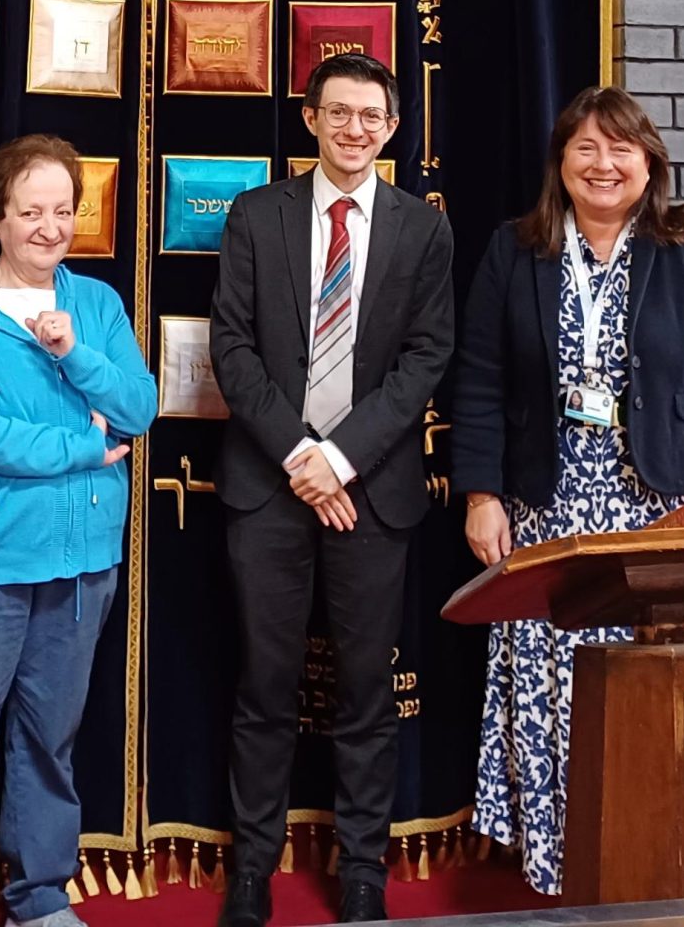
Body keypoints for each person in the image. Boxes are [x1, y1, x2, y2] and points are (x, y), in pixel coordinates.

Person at [449, 85, 684, 891]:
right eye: (586, 149)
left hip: (673, 512)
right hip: (552, 507)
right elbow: (481, 379)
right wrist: (481, 494)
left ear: (649, 162)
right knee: (561, 690)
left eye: (621, 149)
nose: (604, 165)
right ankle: (576, 865)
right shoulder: (516, 250)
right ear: (561, 163)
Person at [209, 52, 456, 927]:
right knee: (263, 686)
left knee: (366, 690)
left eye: (373, 117)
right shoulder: (254, 215)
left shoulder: (422, 230)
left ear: (392, 129)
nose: (356, 129)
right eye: (340, 112)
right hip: (269, 489)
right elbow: (230, 350)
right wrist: (301, 458)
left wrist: (341, 459)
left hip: (371, 491)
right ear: (310, 119)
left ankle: (363, 869)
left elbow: (428, 357)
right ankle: (251, 867)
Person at [0, 135, 159, 927]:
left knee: (50, 739)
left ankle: (41, 896)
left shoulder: (98, 306)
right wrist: (85, 445)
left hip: (80, 561)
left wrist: (75, 353)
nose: (48, 227)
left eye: (62, 211)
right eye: (30, 212)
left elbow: (139, 409)